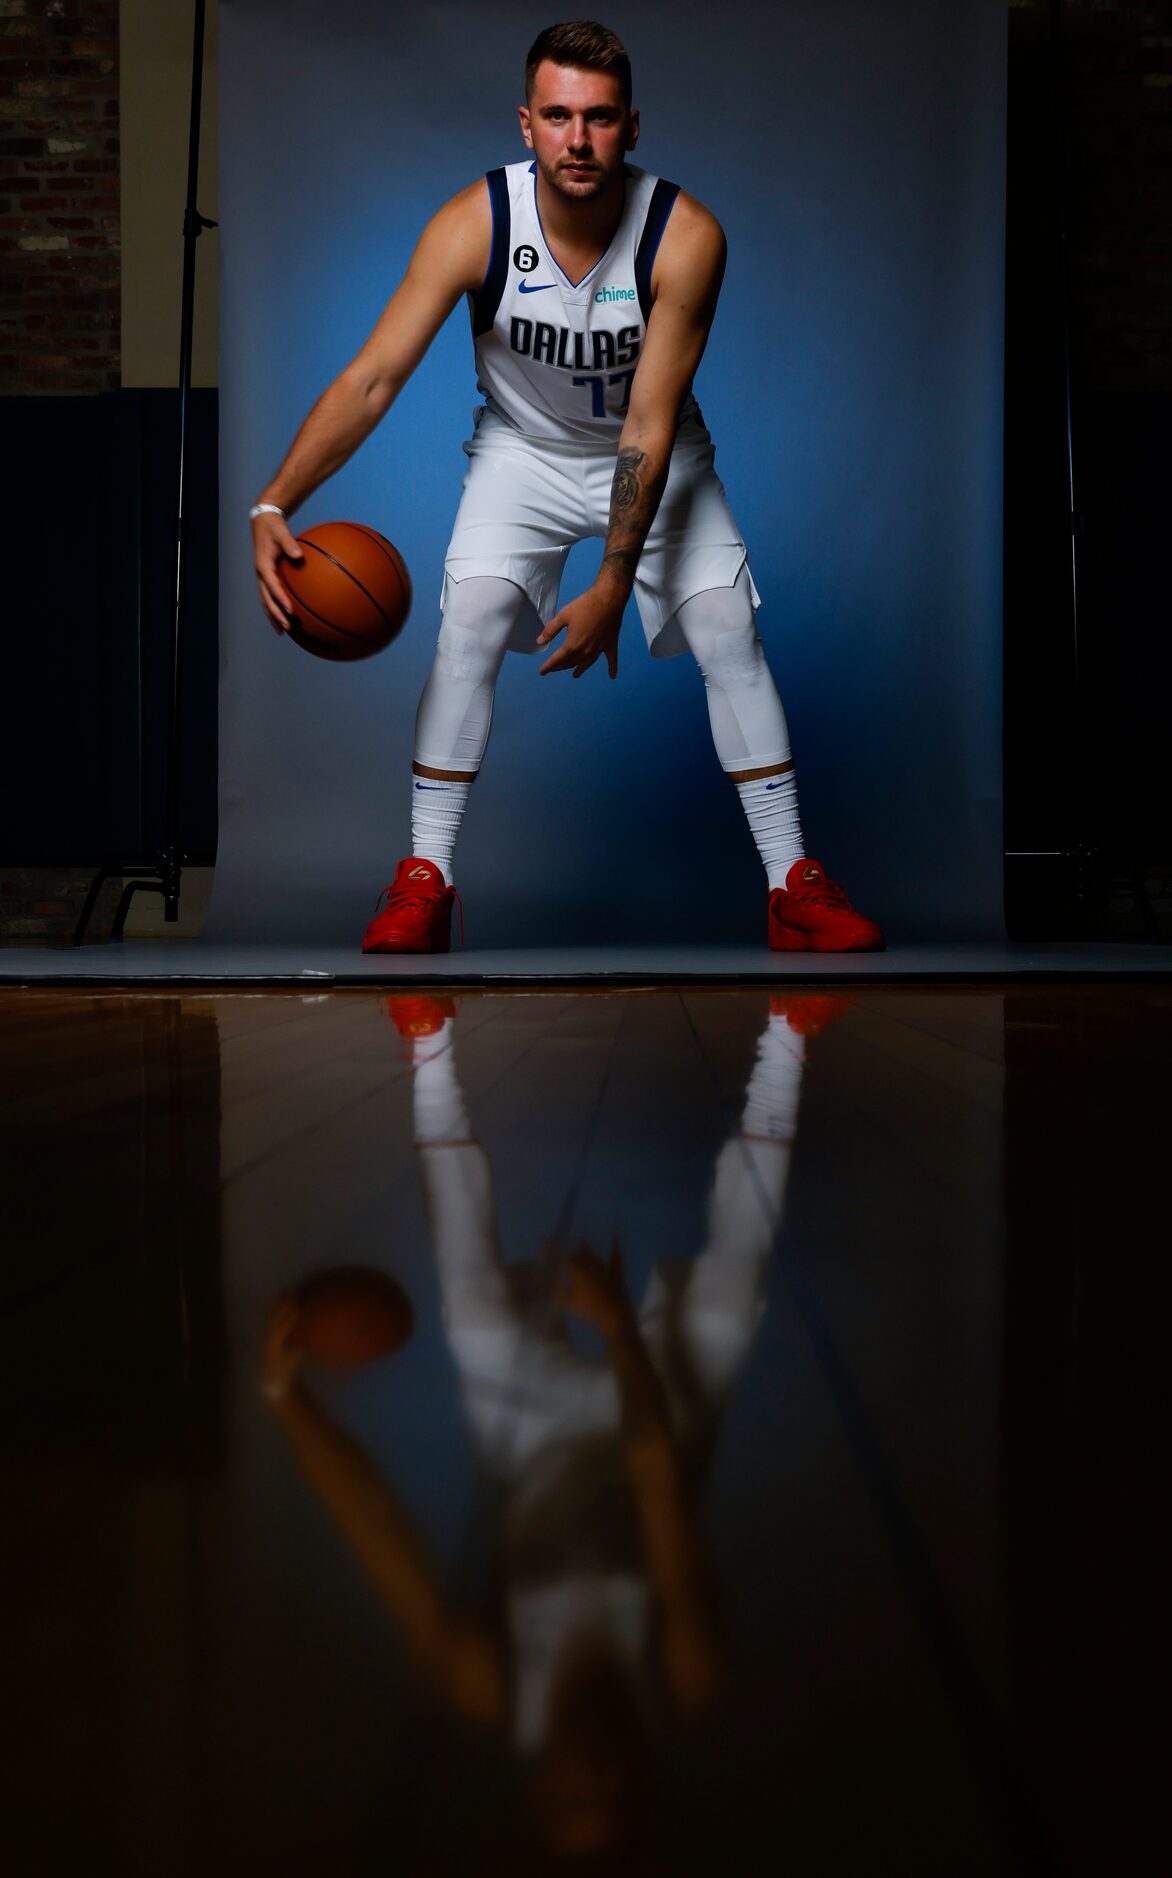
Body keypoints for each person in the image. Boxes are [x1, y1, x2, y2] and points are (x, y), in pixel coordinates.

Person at [251, 20, 884, 956]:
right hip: (524, 451)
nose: (577, 139)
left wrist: (614, 584)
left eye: (597, 118)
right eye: (557, 116)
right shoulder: (476, 223)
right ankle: (425, 880)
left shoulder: (686, 235)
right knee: (467, 617)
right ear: (526, 123)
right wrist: (273, 503)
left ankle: (793, 883)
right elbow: (374, 377)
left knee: (725, 628)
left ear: (631, 126)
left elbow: (649, 427)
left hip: (653, 454)